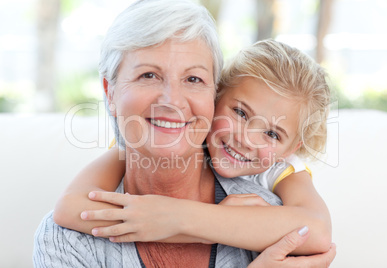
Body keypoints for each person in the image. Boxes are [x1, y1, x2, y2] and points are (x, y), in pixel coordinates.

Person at [33, 0, 335, 267]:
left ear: (210, 95)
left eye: (193, 78)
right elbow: (68, 209)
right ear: (109, 92)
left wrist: (179, 218)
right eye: (148, 75)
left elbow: (318, 230)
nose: (173, 102)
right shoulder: (66, 242)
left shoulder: (270, 218)